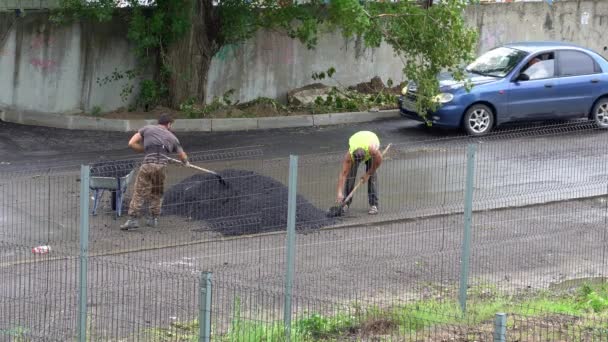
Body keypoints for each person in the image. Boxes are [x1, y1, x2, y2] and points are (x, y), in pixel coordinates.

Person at [120, 113, 189, 230]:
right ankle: (153, 219)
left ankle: (133, 220)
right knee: (157, 193)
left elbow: (131, 143)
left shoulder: (147, 129)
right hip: (161, 167)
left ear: (159, 122)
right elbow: (182, 156)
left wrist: (145, 150)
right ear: (168, 124)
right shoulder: (173, 137)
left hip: (147, 165)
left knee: (139, 192)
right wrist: (185, 162)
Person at [335, 131, 383, 215]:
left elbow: (378, 161)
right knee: (350, 176)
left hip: (370, 139)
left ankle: (374, 205)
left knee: (372, 177)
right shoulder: (350, 155)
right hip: (358, 139)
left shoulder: (372, 150)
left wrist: (368, 173)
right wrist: (339, 192)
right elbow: (343, 174)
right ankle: (346, 203)